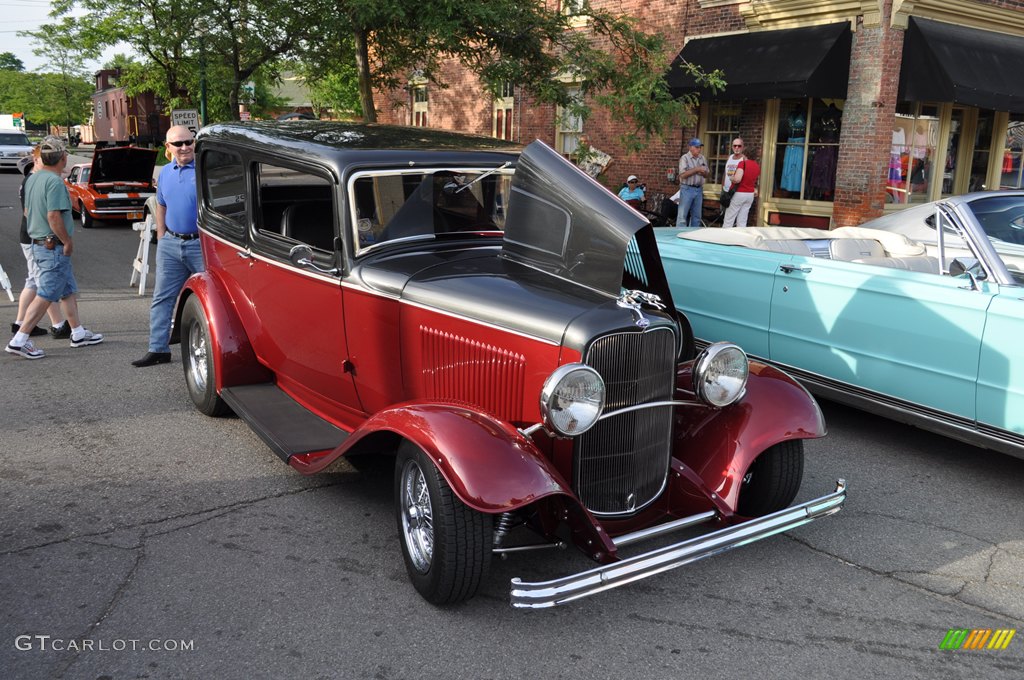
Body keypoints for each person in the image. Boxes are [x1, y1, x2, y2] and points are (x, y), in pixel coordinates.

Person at [6, 136, 103, 360]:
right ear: (61, 158)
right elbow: (53, 215)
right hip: (52, 246)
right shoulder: (55, 182)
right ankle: (19, 340)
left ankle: (78, 333)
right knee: (47, 292)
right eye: (65, 154)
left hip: (40, 243)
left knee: (67, 288)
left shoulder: (32, 178)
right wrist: (67, 241)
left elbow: (29, 212)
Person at [132, 125, 203, 367]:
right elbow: (160, 204)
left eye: (188, 142)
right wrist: (161, 235)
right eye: (178, 144)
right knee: (162, 298)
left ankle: (205, 351)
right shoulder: (166, 173)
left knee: (208, 300)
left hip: (200, 245)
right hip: (171, 244)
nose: (184, 147)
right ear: (168, 148)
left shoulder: (205, 171)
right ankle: (158, 349)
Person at [12, 151, 69, 339]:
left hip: (31, 235)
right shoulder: (35, 181)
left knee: (34, 280)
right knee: (45, 284)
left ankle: (20, 322)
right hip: (36, 237)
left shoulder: (32, 180)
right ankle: (57, 324)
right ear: (35, 162)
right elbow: (39, 213)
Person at [722, 149, 761, 228]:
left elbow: (737, 179)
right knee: (742, 221)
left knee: (729, 220)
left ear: (745, 155)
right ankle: (741, 239)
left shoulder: (742, 163)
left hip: (739, 193)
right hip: (750, 194)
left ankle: (724, 238)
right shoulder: (757, 166)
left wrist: (732, 178)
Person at [676, 138, 708, 227]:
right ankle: (679, 237)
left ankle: (693, 236)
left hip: (699, 189)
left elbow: (706, 175)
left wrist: (704, 172)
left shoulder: (703, 158)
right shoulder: (684, 158)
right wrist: (696, 169)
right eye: (697, 147)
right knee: (682, 216)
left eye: (700, 147)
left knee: (697, 217)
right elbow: (682, 175)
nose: (699, 149)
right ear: (690, 147)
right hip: (687, 189)